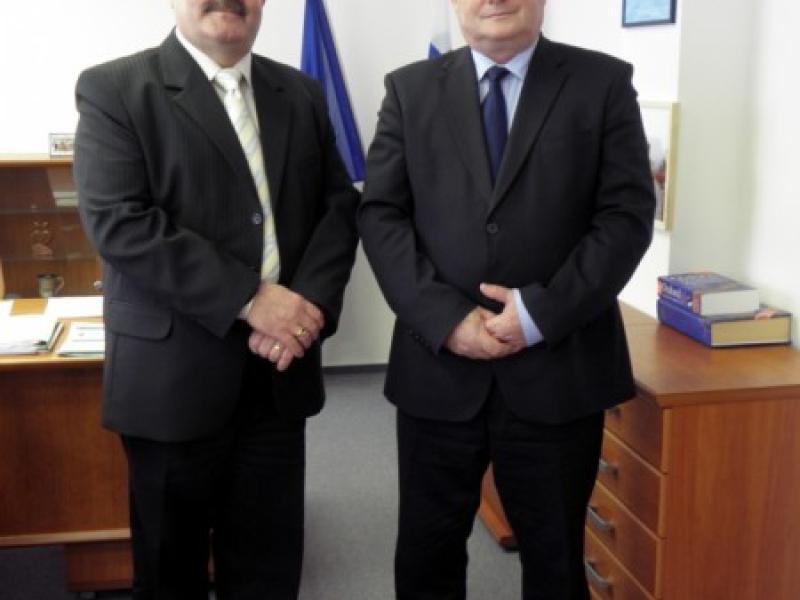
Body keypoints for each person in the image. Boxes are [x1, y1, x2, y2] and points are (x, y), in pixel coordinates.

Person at [358, 0, 655, 598]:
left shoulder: (602, 82)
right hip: (438, 369)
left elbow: (625, 217)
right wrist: (447, 320)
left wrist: (540, 314)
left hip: (558, 369)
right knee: (426, 556)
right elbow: (382, 215)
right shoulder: (409, 90)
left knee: (555, 561)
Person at [73, 0, 359, 597]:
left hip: (278, 378)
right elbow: (121, 223)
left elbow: (337, 209)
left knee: (268, 571)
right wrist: (252, 300)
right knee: (169, 575)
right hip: (171, 384)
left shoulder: (300, 92)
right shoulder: (115, 89)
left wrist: (305, 311)